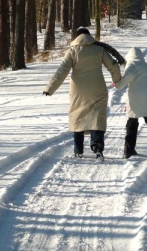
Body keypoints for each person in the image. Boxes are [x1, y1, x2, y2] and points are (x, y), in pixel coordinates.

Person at [43, 27, 121, 161]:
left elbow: (62, 71)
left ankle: (78, 150)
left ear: (76, 37)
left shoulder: (72, 51)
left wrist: (50, 88)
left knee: (78, 115)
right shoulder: (99, 49)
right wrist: (117, 81)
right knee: (97, 117)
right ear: (89, 36)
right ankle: (97, 149)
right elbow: (113, 65)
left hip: (78, 89)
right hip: (97, 88)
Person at [113, 47, 147, 160]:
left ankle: (129, 150)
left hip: (135, 98)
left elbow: (128, 77)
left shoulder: (132, 65)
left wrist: (117, 84)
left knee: (132, 123)